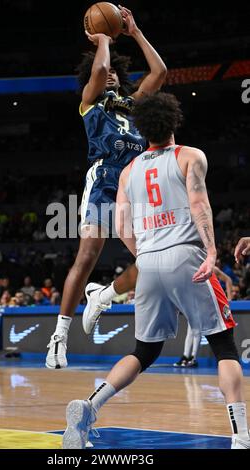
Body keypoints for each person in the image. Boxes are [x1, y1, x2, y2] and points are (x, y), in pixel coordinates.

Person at [63, 92, 250, 449]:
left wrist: (145, 255)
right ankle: (241, 437)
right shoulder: (190, 156)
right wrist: (211, 251)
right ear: (174, 121)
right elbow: (198, 202)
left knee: (144, 352)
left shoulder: (130, 171)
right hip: (187, 256)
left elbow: (121, 223)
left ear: (142, 128)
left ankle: (89, 406)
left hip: (148, 262)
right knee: (224, 346)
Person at [46, 4, 167, 368]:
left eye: (116, 71)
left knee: (153, 261)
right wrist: (102, 40)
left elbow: (160, 71)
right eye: (107, 71)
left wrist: (134, 32)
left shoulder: (132, 105)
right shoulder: (90, 103)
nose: (110, 74)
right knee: (87, 255)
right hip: (104, 180)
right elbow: (98, 69)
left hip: (135, 184)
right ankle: (59, 337)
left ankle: (104, 296)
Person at [174, 266, 234, 367]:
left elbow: (228, 280)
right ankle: (186, 356)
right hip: (194, 303)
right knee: (191, 331)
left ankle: (193, 358)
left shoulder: (212, 268)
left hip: (207, 304)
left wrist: (229, 299)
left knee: (197, 331)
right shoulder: (190, 268)